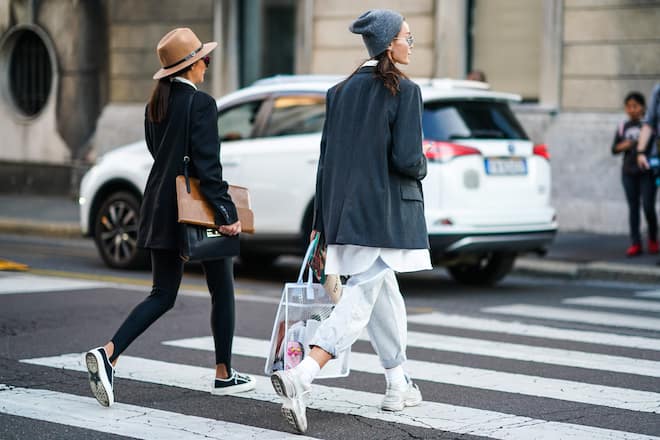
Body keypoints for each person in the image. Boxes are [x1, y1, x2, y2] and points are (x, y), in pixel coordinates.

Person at [270, 9, 431, 434]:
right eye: (407, 38)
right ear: (388, 45)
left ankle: (398, 382)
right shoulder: (405, 91)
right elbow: (408, 159)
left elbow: (326, 164)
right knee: (363, 296)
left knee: (382, 292)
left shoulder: (339, 92)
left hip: (344, 214)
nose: (411, 45)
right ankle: (303, 374)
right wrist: (422, 165)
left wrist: (321, 225)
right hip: (386, 217)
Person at [83, 27, 255, 408]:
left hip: (159, 207)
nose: (207, 66)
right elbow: (208, 168)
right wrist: (227, 213)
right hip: (197, 211)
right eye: (204, 60)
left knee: (162, 294)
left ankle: (109, 354)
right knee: (222, 288)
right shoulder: (202, 105)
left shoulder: (155, 105)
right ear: (192, 65)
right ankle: (223, 373)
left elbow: (160, 153)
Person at [612, 91, 658, 256]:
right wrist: (629, 144)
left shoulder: (649, 126)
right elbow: (614, 149)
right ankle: (635, 242)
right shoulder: (623, 126)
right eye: (628, 106)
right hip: (628, 172)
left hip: (647, 172)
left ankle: (653, 238)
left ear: (644, 108)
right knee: (633, 208)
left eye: (635, 106)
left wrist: (641, 147)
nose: (631, 110)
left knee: (648, 206)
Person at [636, 83, 660, 263]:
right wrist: (641, 151)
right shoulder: (658, 89)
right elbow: (649, 122)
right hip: (656, 157)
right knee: (648, 204)